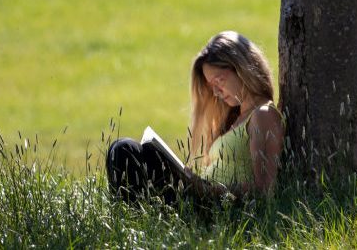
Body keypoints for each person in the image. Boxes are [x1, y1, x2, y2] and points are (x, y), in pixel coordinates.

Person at [106, 31, 284, 204]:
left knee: (125, 150)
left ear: (241, 68)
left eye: (219, 80)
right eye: (211, 85)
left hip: (215, 208)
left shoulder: (263, 115)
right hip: (201, 198)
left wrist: (204, 189)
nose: (215, 92)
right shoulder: (235, 117)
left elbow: (264, 190)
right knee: (122, 149)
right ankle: (137, 218)